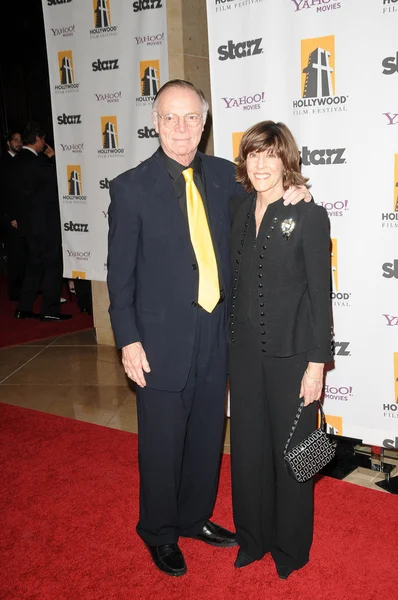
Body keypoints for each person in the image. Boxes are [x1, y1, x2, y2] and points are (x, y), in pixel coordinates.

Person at [107, 80, 311, 577]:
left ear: (205, 122)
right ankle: (158, 531)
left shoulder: (225, 178)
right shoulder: (131, 187)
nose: (181, 128)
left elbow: (269, 192)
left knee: (203, 438)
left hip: (218, 336)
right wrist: (128, 340)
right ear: (156, 123)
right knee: (160, 443)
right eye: (170, 118)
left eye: (191, 118)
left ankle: (194, 517)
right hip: (157, 343)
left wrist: (297, 191)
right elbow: (120, 276)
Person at [228, 121, 333, 578]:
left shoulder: (309, 214)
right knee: (249, 452)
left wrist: (317, 365)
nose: (261, 165)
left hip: (294, 358)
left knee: (293, 455)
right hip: (245, 354)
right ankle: (252, 539)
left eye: (271, 155)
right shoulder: (237, 209)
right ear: (244, 161)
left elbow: (320, 294)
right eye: (253, 155)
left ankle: (291, 549)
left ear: (286, 161)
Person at [13, 122, 71, 321]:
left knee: (34, 265)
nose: (44, 143)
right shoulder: (37, 163)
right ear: (38, 139)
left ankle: (23, 307)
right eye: (43, 139)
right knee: (53, 265)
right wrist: (53, 159)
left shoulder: (17, 160)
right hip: (44, 223)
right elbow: (56, 180)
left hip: (28, 223)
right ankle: (50, 310)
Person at [0, 131, 27, 300]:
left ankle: (25, 287)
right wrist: (11, 217)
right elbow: (4, 193)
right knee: (15, 254)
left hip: (24, 214)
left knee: (24, 253)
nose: (19, 143)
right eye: (15, 140)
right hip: (11, 216)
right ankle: (15, 292)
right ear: (8, 143)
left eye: (20, 140)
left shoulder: (22, 160)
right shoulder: (4, 163)